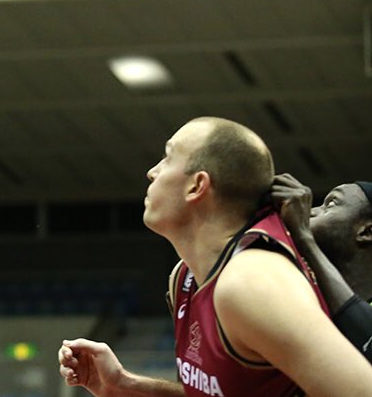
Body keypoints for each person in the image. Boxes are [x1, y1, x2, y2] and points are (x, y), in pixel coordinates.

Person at [58, 117, 372, 397]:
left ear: (197, 185)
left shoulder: (252, 281)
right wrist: (124, 385)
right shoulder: (185, 278)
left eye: (168, 158)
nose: (152, 172)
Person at [272, 173, 372, 361]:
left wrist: (303, 236)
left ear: (366, 232)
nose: (311, 211)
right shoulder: (294, 283)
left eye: (331, 204)